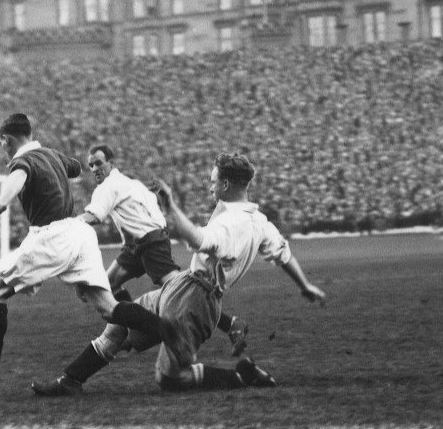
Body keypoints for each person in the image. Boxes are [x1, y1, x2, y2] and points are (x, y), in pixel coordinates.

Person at [32, 152, 326, 397]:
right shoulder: (260, 221)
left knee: (170, 379)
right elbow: (283, 254)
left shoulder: (232, 224)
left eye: (212, 181)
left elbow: (200, 240)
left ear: (225, 184)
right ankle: (71, 380)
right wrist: (305, 285)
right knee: (118, 328)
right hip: (185, 285)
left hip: (196, 301)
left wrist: (172, 209)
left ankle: (241, 376)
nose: (209, 186)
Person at [0, 113, 192, 395]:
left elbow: (17, 177)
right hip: (80, 235)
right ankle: (167, 329)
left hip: (51, 235)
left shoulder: (22, 161)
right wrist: (57, 165)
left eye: (2, 143)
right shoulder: (53, 155)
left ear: (7, 139)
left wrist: (2, 201)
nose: (3, 147)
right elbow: (76, 168)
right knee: (108, 306)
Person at [82, 142, 249, 355]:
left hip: (149, 242)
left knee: (180, 289)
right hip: (136, 245)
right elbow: (152, 202)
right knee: (106, 286)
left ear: (111, 164)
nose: (95, 169)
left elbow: (95, 216)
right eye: (91, 166)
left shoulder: (109, 186)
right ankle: (130, 327)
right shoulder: (131, 184)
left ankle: (231, 324)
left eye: (98, 163)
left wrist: (68, 224)